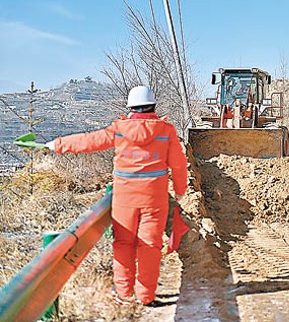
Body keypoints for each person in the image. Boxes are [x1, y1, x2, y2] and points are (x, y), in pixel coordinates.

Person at [45, 85, 188, 306]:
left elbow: (89, 141)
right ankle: (146, 296)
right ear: (153, 106)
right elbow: (179, 165)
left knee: (124, 243)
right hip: (154, 198)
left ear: (130, 107)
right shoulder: (166, 130)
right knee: (150, 245)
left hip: (124, 198)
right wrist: (179, 191)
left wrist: (58, 144)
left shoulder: (119, 129)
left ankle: (123, 293)